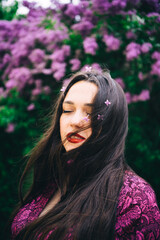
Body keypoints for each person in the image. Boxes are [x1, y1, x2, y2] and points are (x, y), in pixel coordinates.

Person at [10, 68, 160, 240]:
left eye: (90, 113)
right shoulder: (52, 178)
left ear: (112, 123)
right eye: (67, 110)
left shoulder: (134, 197)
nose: (75, 122)